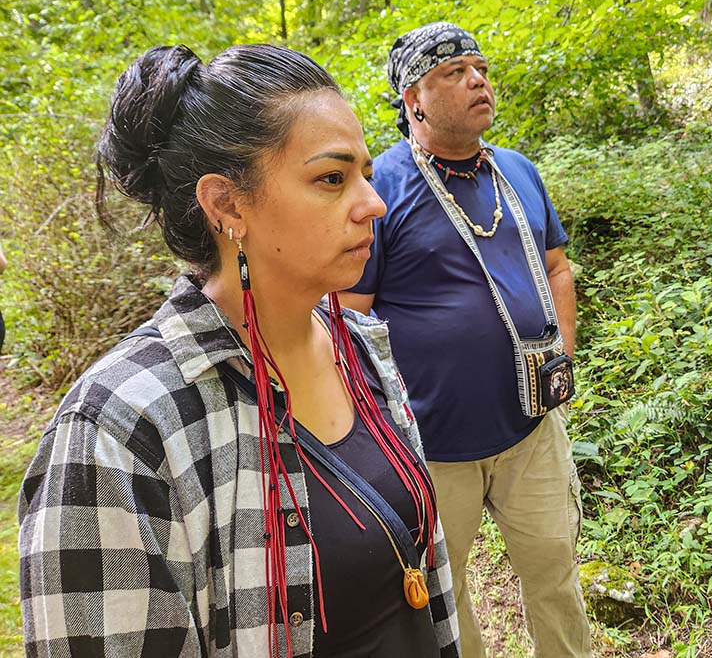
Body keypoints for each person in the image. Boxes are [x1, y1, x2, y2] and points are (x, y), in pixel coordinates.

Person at [19, 44, 461, 658]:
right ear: (227, 205)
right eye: (332, 179)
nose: (373, 204)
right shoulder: (122, 431)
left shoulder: (361, 350)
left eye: (364, 173)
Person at [340, 22, 592, 658]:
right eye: (454, 72)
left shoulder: (518, 171)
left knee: (556, 575)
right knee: (442, 598)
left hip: (533, 429)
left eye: (479, 67)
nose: (477, 79)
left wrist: (561, 344)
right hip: (429, 445)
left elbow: (556, 264)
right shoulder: (381, 189)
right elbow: (347, 312)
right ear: (413, 99)